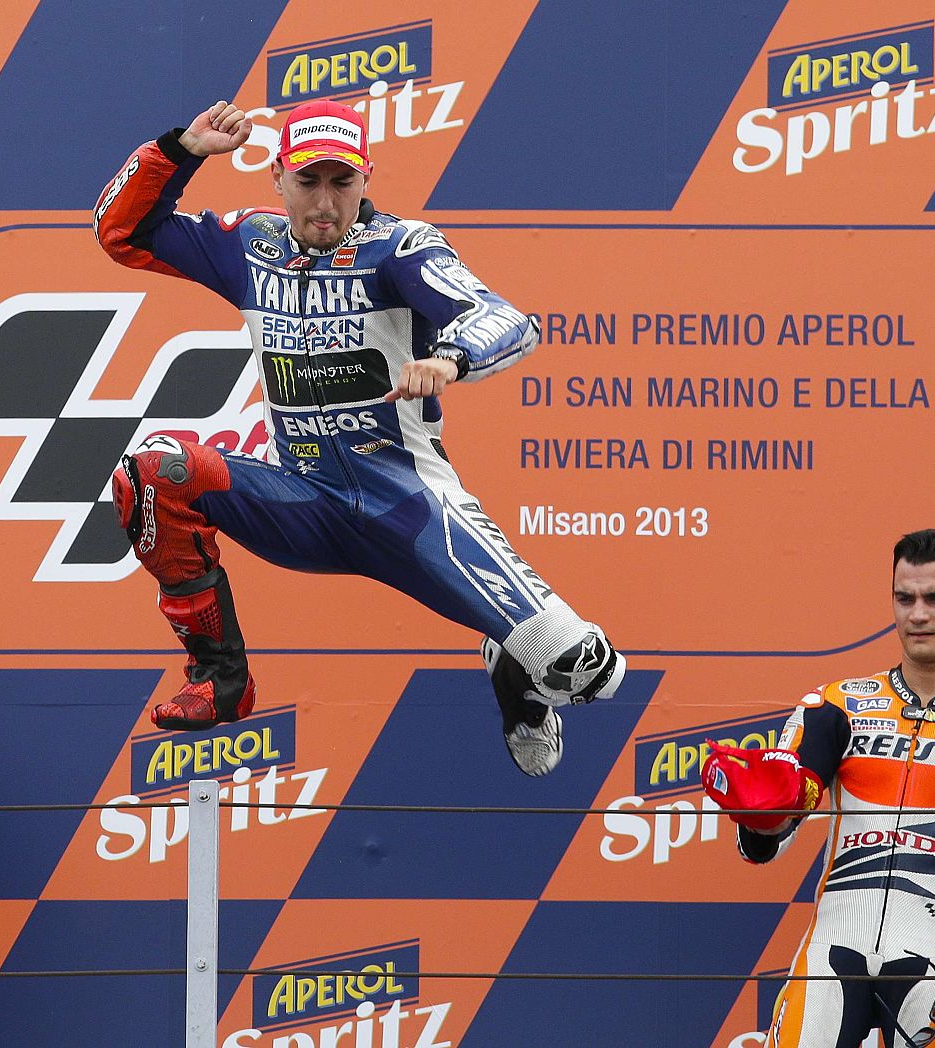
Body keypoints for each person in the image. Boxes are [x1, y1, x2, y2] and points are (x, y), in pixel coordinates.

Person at [94, 98, 626, 776]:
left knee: (587, 668)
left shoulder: (401, 250)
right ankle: (220, 676)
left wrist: (451, 359)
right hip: (304, 501)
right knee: (154, 470)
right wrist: (181, 151)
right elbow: (120, 232)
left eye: (341, 183)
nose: (324, 202)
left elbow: (505, 320)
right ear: (278, 176)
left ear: (366, 179)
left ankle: (517, 678)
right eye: (308, 180)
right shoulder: (247, 244)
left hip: (409, 508)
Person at [701, 529, 935, 1047]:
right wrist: (761, 819)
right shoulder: (833, 706)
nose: (917, 615)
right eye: (904, 598)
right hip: (833, 947)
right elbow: (771, 833)